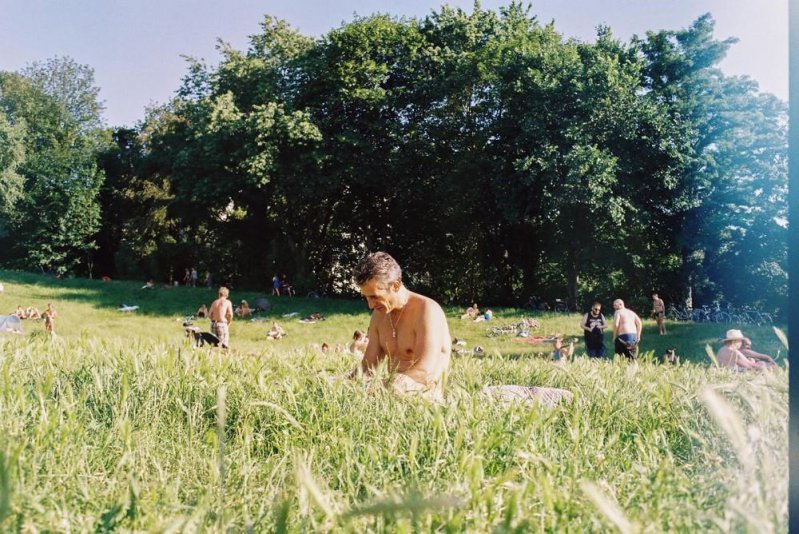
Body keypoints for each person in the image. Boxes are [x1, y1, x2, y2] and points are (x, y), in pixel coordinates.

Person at [350, 252, 451, 401]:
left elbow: (425, 372)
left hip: (426, 395)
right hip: (390, 395)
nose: (370, 305)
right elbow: (367, 368)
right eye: (366, 298)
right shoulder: (379, 316)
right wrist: (337, 383)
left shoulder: (427, 310)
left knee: (394, 388)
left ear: (395, 286)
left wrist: (379, 388)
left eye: (374, 296)